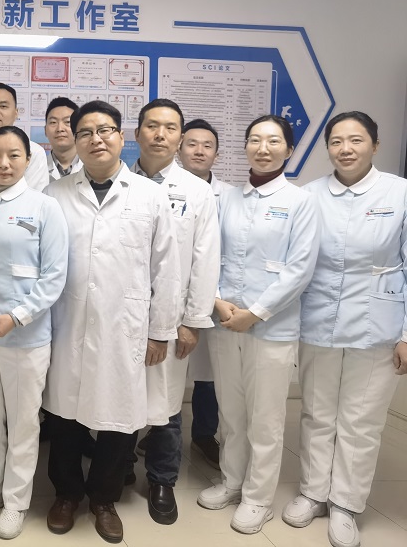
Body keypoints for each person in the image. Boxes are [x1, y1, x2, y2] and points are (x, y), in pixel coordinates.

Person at [41, 100, 180, 543]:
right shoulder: (55, 195)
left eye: (104, 130)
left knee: (120, 416)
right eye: (85, 132)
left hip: (126, 326)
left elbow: (167, 269)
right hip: (67, 323)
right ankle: (66, 494)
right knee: (63, 415)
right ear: (75, 141)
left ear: (122, 137)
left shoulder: (150, 196)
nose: (95, 139)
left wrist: (160, 332)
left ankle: (104, 499)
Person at [282, 111, 407, 547]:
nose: (346, 149)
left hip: (379, 324)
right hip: (317, 320)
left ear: (375, 144)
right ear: (328, 148)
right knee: (317, 413)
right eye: (336, 141)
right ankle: (313, 493)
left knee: (361, 420)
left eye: (356, 140)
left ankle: (346, 504)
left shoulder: (400, 192)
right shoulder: (309, 195)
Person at [198, 114, 320, 535]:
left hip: (271, 328)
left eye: (273, 141)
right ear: (245, 146)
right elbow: (207, 255)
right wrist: (218, 301)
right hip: (225, 321)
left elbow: (300, 269)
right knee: (231, 412)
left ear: (289, 149)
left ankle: (258, 498)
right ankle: (232, 481)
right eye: (254, 140)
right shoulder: (226, 198)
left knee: (265, 418)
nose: (263, 148)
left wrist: (256, 313)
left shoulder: (301, 202)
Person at [0, 126, 68, 539]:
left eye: (14, 156)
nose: (4, 164)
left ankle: (16, 501)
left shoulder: (45, 207)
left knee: (23, 421)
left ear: (28, 160)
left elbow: (54, 276)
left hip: (26, 336)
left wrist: (18, 317)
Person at [129, 100, 220, 525]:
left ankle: (162, 479)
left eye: (169, 128)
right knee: (120, 395)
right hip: (121, 314)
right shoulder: (117, 180)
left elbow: (205, 260)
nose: (160, 134)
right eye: (152, 126)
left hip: (171, 316)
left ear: (180, 138)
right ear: (137, 133)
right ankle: (117, 468)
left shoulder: (197, 191)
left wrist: (191, 321)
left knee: (165, 405)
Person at [177, 118, 228, 470]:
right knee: (166, 369)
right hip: (172, 295)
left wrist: (215, 296)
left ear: (216, 154)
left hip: (216, 297)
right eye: (192, 144)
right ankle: (159, 432)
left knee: (207, 374)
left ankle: (204, 434)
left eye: (207, 145)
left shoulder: (230, 196)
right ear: (179, 149)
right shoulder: (162, 189)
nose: (199, 151)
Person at [43, 96, 81, 181]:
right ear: (45, 130)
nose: (60, 129)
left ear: (79, 129)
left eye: (67, 122)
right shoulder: (36, 169)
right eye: (53, 122)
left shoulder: (93, 167)